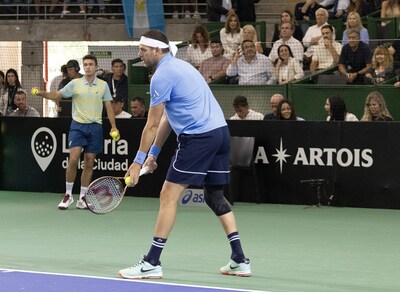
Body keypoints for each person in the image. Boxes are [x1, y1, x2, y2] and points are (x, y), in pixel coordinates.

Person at [118, 29, 251, 279]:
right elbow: (168, 117)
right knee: (214, 196)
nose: (139, 54)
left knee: (168, 195)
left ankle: (152, 262)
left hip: (199, 137)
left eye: (143, 50)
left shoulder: (162, 76)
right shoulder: (184, 67)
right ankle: (239, 259)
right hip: (220, 133)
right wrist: (153, 154)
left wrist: (136, 163)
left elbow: (152, 124)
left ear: (157, 50)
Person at [36, 54, 119, 210]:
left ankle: (83, 198)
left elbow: (109, 107)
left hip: (95, 127)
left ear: (95, 67)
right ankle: (68, 195)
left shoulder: (103, 85)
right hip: (77, 126)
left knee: (89, 161)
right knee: (73, 159)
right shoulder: (74, 84)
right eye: (85, 64)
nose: (88, 66)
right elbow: (57, 95)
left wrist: (113, 126)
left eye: (90, 64)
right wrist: (41, 93)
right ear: (83, 67)